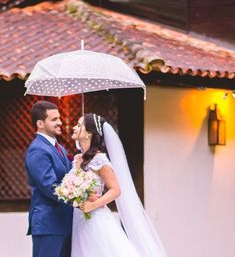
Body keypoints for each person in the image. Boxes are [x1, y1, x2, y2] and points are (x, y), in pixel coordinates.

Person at [71, 113, 168, 257]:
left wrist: (93, 204)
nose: (74, 127)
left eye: (79, 125)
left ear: (89, 133)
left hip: (95, 219)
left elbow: (116, 190)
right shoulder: (78, 158)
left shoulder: (100, 160)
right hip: (79, 219)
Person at [25, 100, 73, 257]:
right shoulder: (37, 150)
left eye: (59, 118)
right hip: (48, 224)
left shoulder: (60, 147)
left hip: (65, 222)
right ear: (40, 123)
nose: (60, 122)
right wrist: (79, 199)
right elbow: (50, 187)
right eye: (54, 119)